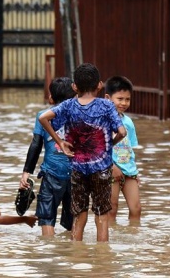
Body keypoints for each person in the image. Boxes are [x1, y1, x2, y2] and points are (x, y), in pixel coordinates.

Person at [38, 63, 127, 242]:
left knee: (79, 214)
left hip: (77, 168)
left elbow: (43, 118)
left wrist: (60, 142)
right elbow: (122, 132)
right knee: (102, 216)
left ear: (74, 87)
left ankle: (76, 255)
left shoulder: (69, 106)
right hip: (102, 168)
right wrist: (109, 145)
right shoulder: (106, 106)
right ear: (99, 85)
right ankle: (103, 258)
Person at [19, 77, 76, 236]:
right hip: (76, 174)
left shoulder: (43, 115)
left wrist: (26, 173)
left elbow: (36, 145)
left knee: (46, 216)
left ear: (51, 98)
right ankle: (75, 251)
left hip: (52, 173)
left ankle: (49, 252)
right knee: (74, 217)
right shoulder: (79, 114)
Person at [104, 76, 142, 223]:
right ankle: (108, 242)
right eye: (120, 99)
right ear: (108, 98)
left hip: (129, 171)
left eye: (127, 99)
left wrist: (135, 171)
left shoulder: (128, 122)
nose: (124, 103)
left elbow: (130, 149)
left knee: (136, 208)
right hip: (110, 170)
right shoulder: (103, 120)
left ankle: (133, 237)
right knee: (111, 208)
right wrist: (112, 167)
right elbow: (99, 148)